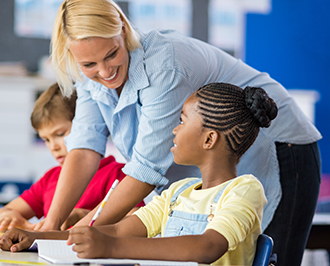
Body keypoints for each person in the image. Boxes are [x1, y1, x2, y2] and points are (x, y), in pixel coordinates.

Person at [38, 1, 322, 265]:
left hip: (280, 146)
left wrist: (81, 237)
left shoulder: (165, 64)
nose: (104, 70)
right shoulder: (177, 193)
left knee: (270, 255)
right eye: (89, 65)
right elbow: (85, 149)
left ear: (123, 31)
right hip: (213, 176)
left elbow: (146, 169)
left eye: (112, 54)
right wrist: (50, 229)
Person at [0, 83, 276, 266]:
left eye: (182, 121)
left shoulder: (244, 190)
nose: (174, 130)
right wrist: (38, 239)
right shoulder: (179, 192)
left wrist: (111, 247)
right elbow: (114, 229)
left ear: (209, 139)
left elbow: (206, 247)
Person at [0, 83, 144, 232]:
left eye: (60, 134)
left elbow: (140, 219)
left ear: (86, 126)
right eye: (46, 139)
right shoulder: (51, 178)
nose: (53, 146)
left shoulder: (117, 174)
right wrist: (13, 219)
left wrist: (83, 215)